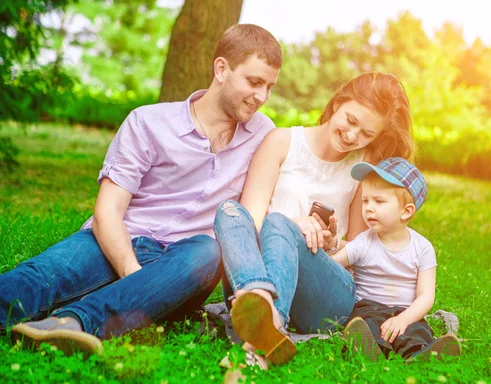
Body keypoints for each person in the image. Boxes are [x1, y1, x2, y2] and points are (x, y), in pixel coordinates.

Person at [1, 24, 282, 355]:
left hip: (185, 266)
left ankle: (73, 324)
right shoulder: (148, 122)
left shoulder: (264, 134)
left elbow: (254, 212)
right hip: (118, 241)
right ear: (222, 69)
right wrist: (134, 277)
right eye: (254, 82)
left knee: (210, 250)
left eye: (270, 87)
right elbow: (108, 212)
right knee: (42, 274)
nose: (262, 97)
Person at [213, 72, 415, 366]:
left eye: (367, 134)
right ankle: (262, 301)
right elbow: (251, 222)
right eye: (351, 120)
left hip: (322, 292)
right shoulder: (282, 141)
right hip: (260, 272)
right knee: (229, 212)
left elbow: (361, 250)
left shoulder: (363, 167)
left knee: (280, 223)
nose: (353, 136)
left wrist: (333, 244)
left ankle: (270, 324)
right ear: (338, 103)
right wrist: (292, 227)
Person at [331, 157, 461, 361]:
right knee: (365, 324)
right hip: (369, 307)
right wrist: (327, 246)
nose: (368, 208)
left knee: (416, 331)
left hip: (407, 311)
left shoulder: (423, 248)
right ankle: (368, 348)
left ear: (406, 211)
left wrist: (403, 319)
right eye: (365, 200)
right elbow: (331, 266)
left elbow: (426, 296)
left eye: (379, 201)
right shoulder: (363, 242)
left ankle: (421, 354)